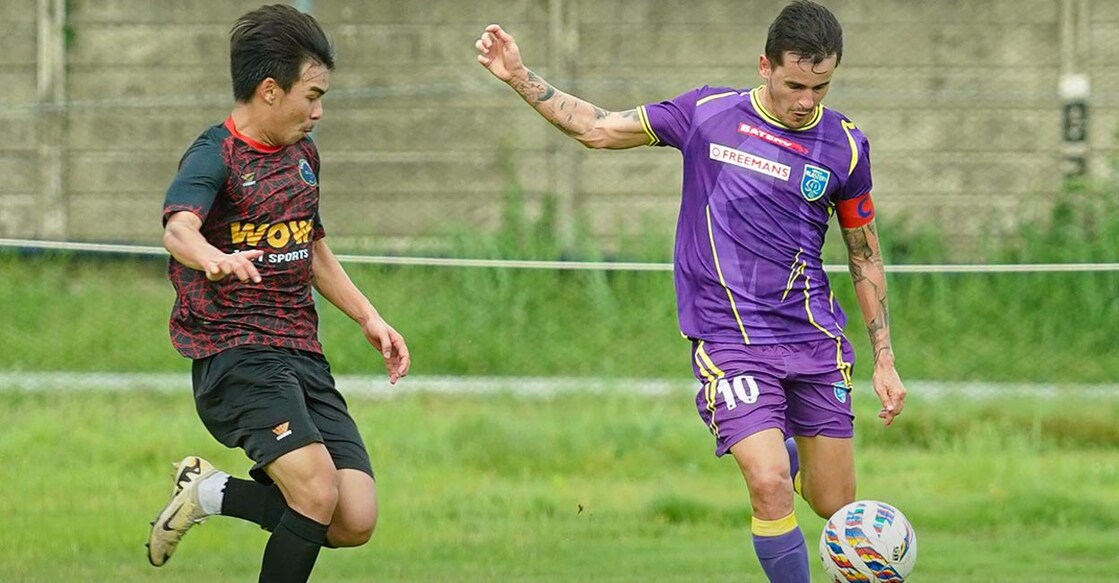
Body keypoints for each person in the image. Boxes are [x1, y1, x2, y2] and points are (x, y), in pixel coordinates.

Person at [476, 1, 906, 581]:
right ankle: (772, 458)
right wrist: (519, 76)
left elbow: (865, 255)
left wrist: (885, 358)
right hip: (728, 338)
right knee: (770, 483)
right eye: (796, 84)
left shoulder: (846, 146)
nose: (807, 100)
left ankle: (784, 448)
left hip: (812, 340)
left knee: (833, 502)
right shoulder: (707, 113)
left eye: (821, 86)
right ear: (765, 66)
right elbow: (597, 128)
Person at [148, 5, 410, 582]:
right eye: (311, 95)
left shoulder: (303, 156)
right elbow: (177, 228)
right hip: (236, 353)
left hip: (301, 352)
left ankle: (211, 493)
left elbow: (311, 247)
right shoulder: (213, 155)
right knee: (315, 491)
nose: (318, 111)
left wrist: (369, 317)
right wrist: (213, 258)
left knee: (354, 518)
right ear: (270, 90)